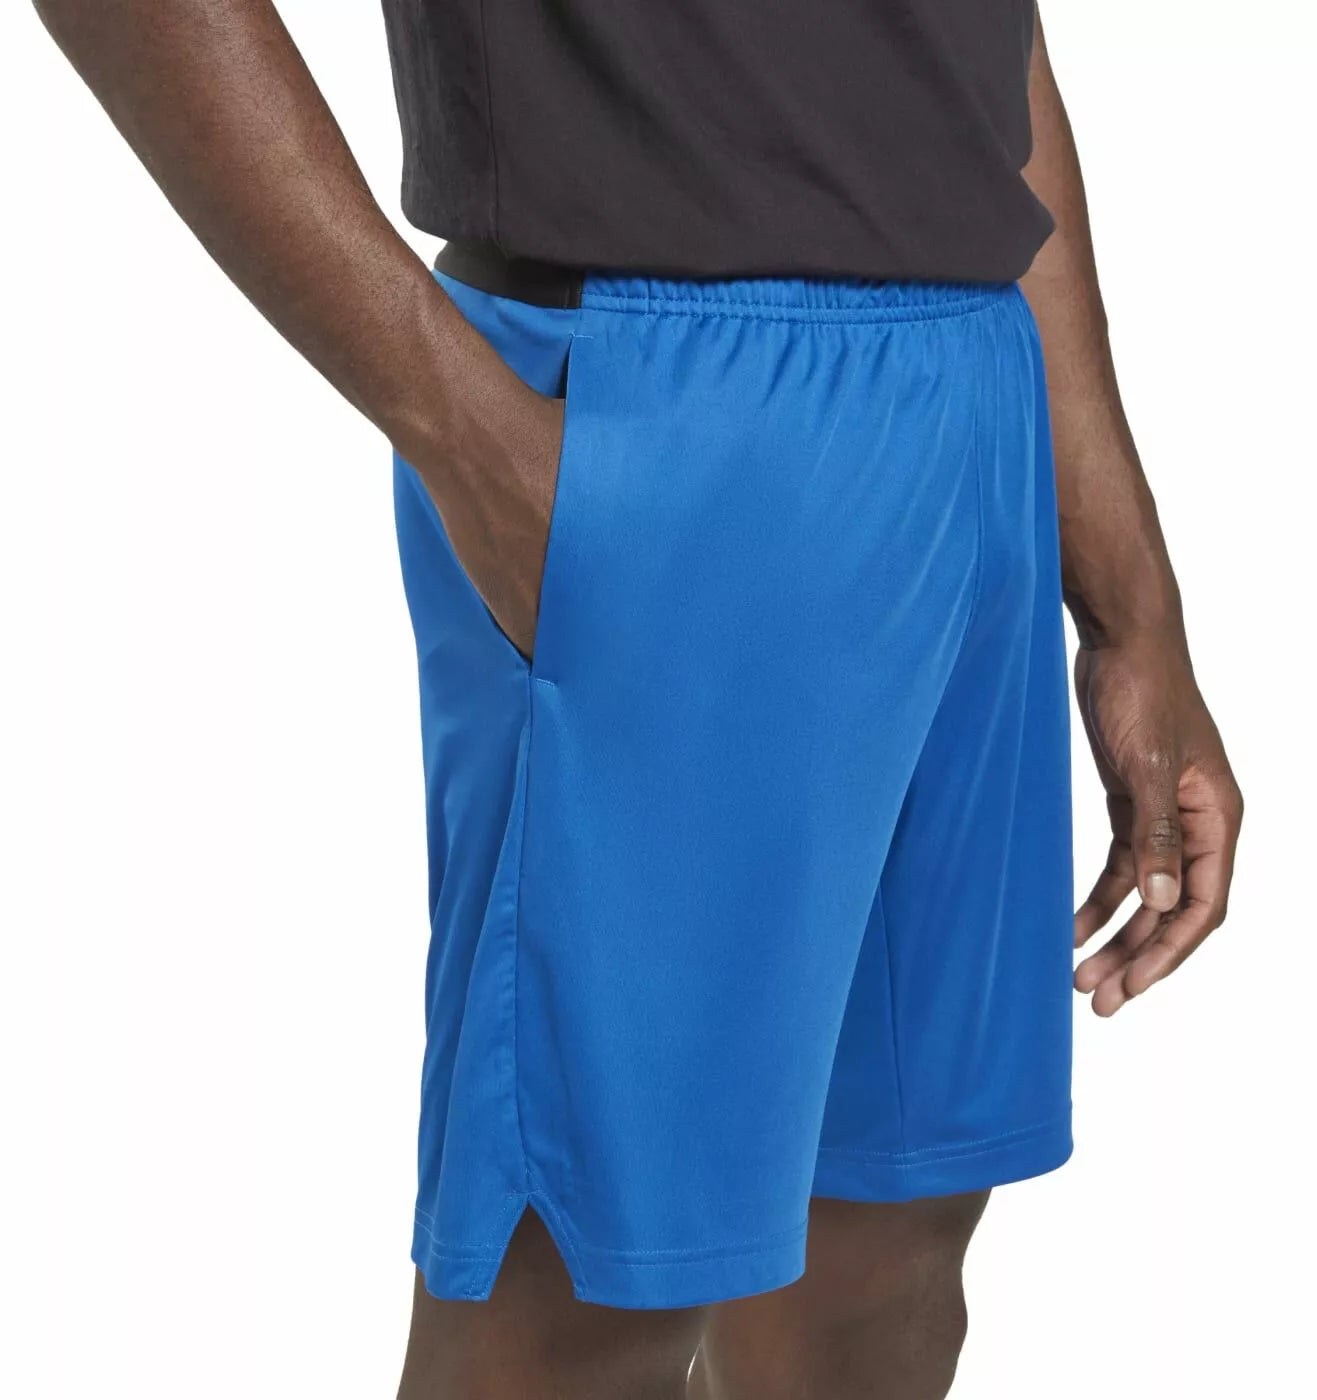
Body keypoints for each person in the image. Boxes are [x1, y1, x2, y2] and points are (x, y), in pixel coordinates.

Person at [31, 2, 1243, 1396]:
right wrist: (467, 435)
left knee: (888, 1252)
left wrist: (1133, 604)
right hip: (661, 393)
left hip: (973, 388)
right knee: (588, 1295)